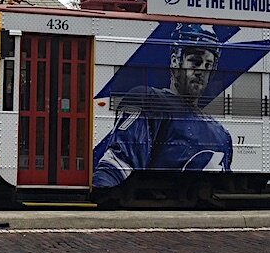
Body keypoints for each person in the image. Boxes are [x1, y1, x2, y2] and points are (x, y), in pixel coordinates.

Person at [93, 23, 233, 188]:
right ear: (175, 61)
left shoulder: (222, 135)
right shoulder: (149, 100)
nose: (201, 70)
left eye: (208, 65)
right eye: (195, 62)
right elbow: (118, 164)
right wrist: (100, 189)